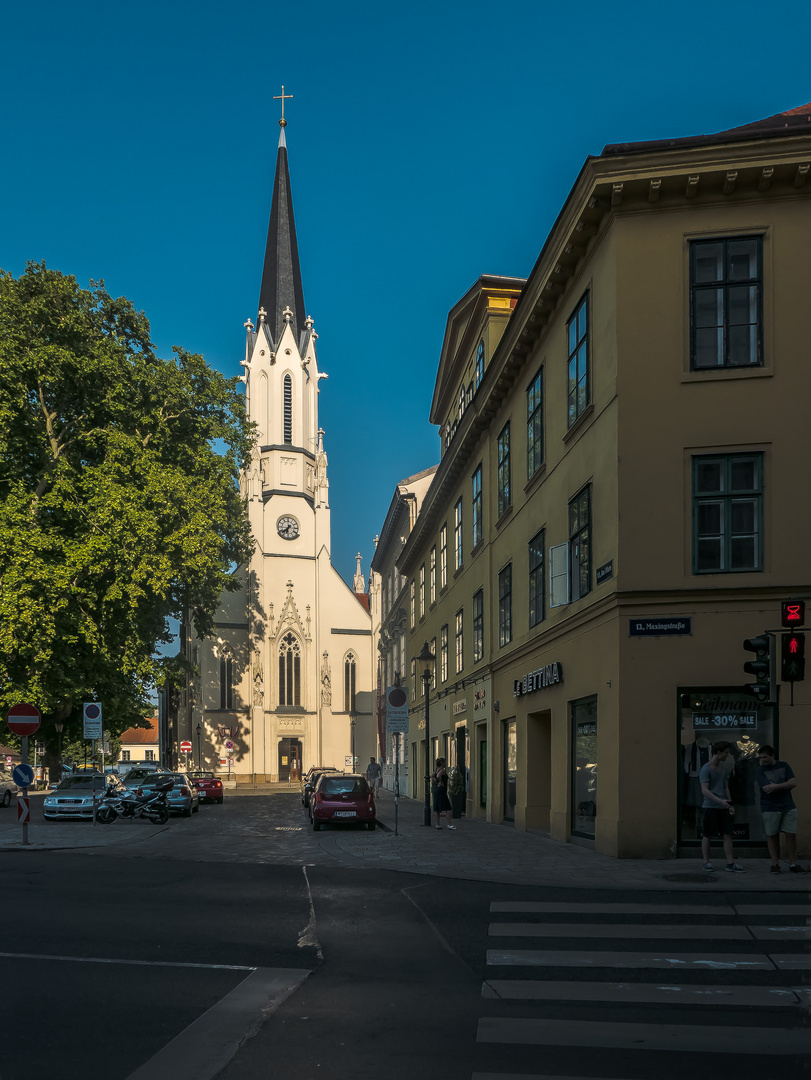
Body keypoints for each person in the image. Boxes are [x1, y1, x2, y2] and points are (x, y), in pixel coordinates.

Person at [755, 745, 806, 874]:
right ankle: (775, 864)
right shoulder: (760, 770)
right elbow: (766, 788)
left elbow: (793, 782)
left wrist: (776, 786)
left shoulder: (784, 765)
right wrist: (784, 786)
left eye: (765, 757)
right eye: (760, 758)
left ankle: (793, 864)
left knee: (791, 835)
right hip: (770, 806)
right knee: (772, 835)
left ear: (772, 755)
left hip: (788, 805)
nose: (763, 760)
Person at [700, 741, 744, 873]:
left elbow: (725, 787)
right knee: (707, 834)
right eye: (726, 752)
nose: (727, 755)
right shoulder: (706, 769)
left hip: (723, 806)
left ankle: (730, 863)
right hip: (710, 806)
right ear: (718, 752)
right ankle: (706, 862)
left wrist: (729, 804)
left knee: (728, 834)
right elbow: (705, 790)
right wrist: (720, 801)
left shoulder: (724, 770)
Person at [432, 757, 455, 830]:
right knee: (448, 808)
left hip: (437, 790)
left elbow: (432, 776)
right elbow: (438, 776)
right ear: (442, 763)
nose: (446, 764)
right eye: (445, 762)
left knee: (437, 808)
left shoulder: (436, 770)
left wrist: (436, 782)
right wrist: (441, 782)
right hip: (442, 790)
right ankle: (449, 824)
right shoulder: (442, 770)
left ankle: (438, 824)